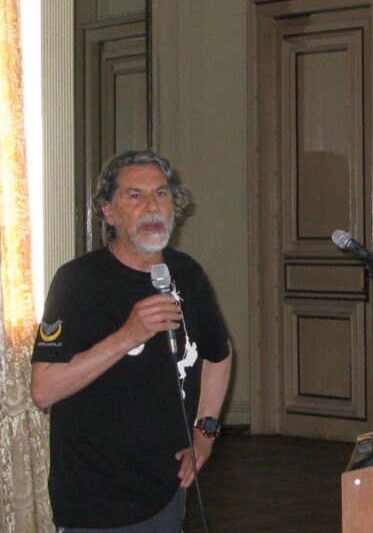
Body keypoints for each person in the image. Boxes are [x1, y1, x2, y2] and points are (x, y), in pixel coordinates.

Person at [31, 150, 232, 532]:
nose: (152, 207)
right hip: (95, 496)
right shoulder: (78, 282)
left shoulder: (186, 273)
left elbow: (218, 355)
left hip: (166, 486)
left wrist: (205, 433)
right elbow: (43, 390)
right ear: (108, 212)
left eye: (161, 194)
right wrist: (128, 336)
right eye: (135, 195)